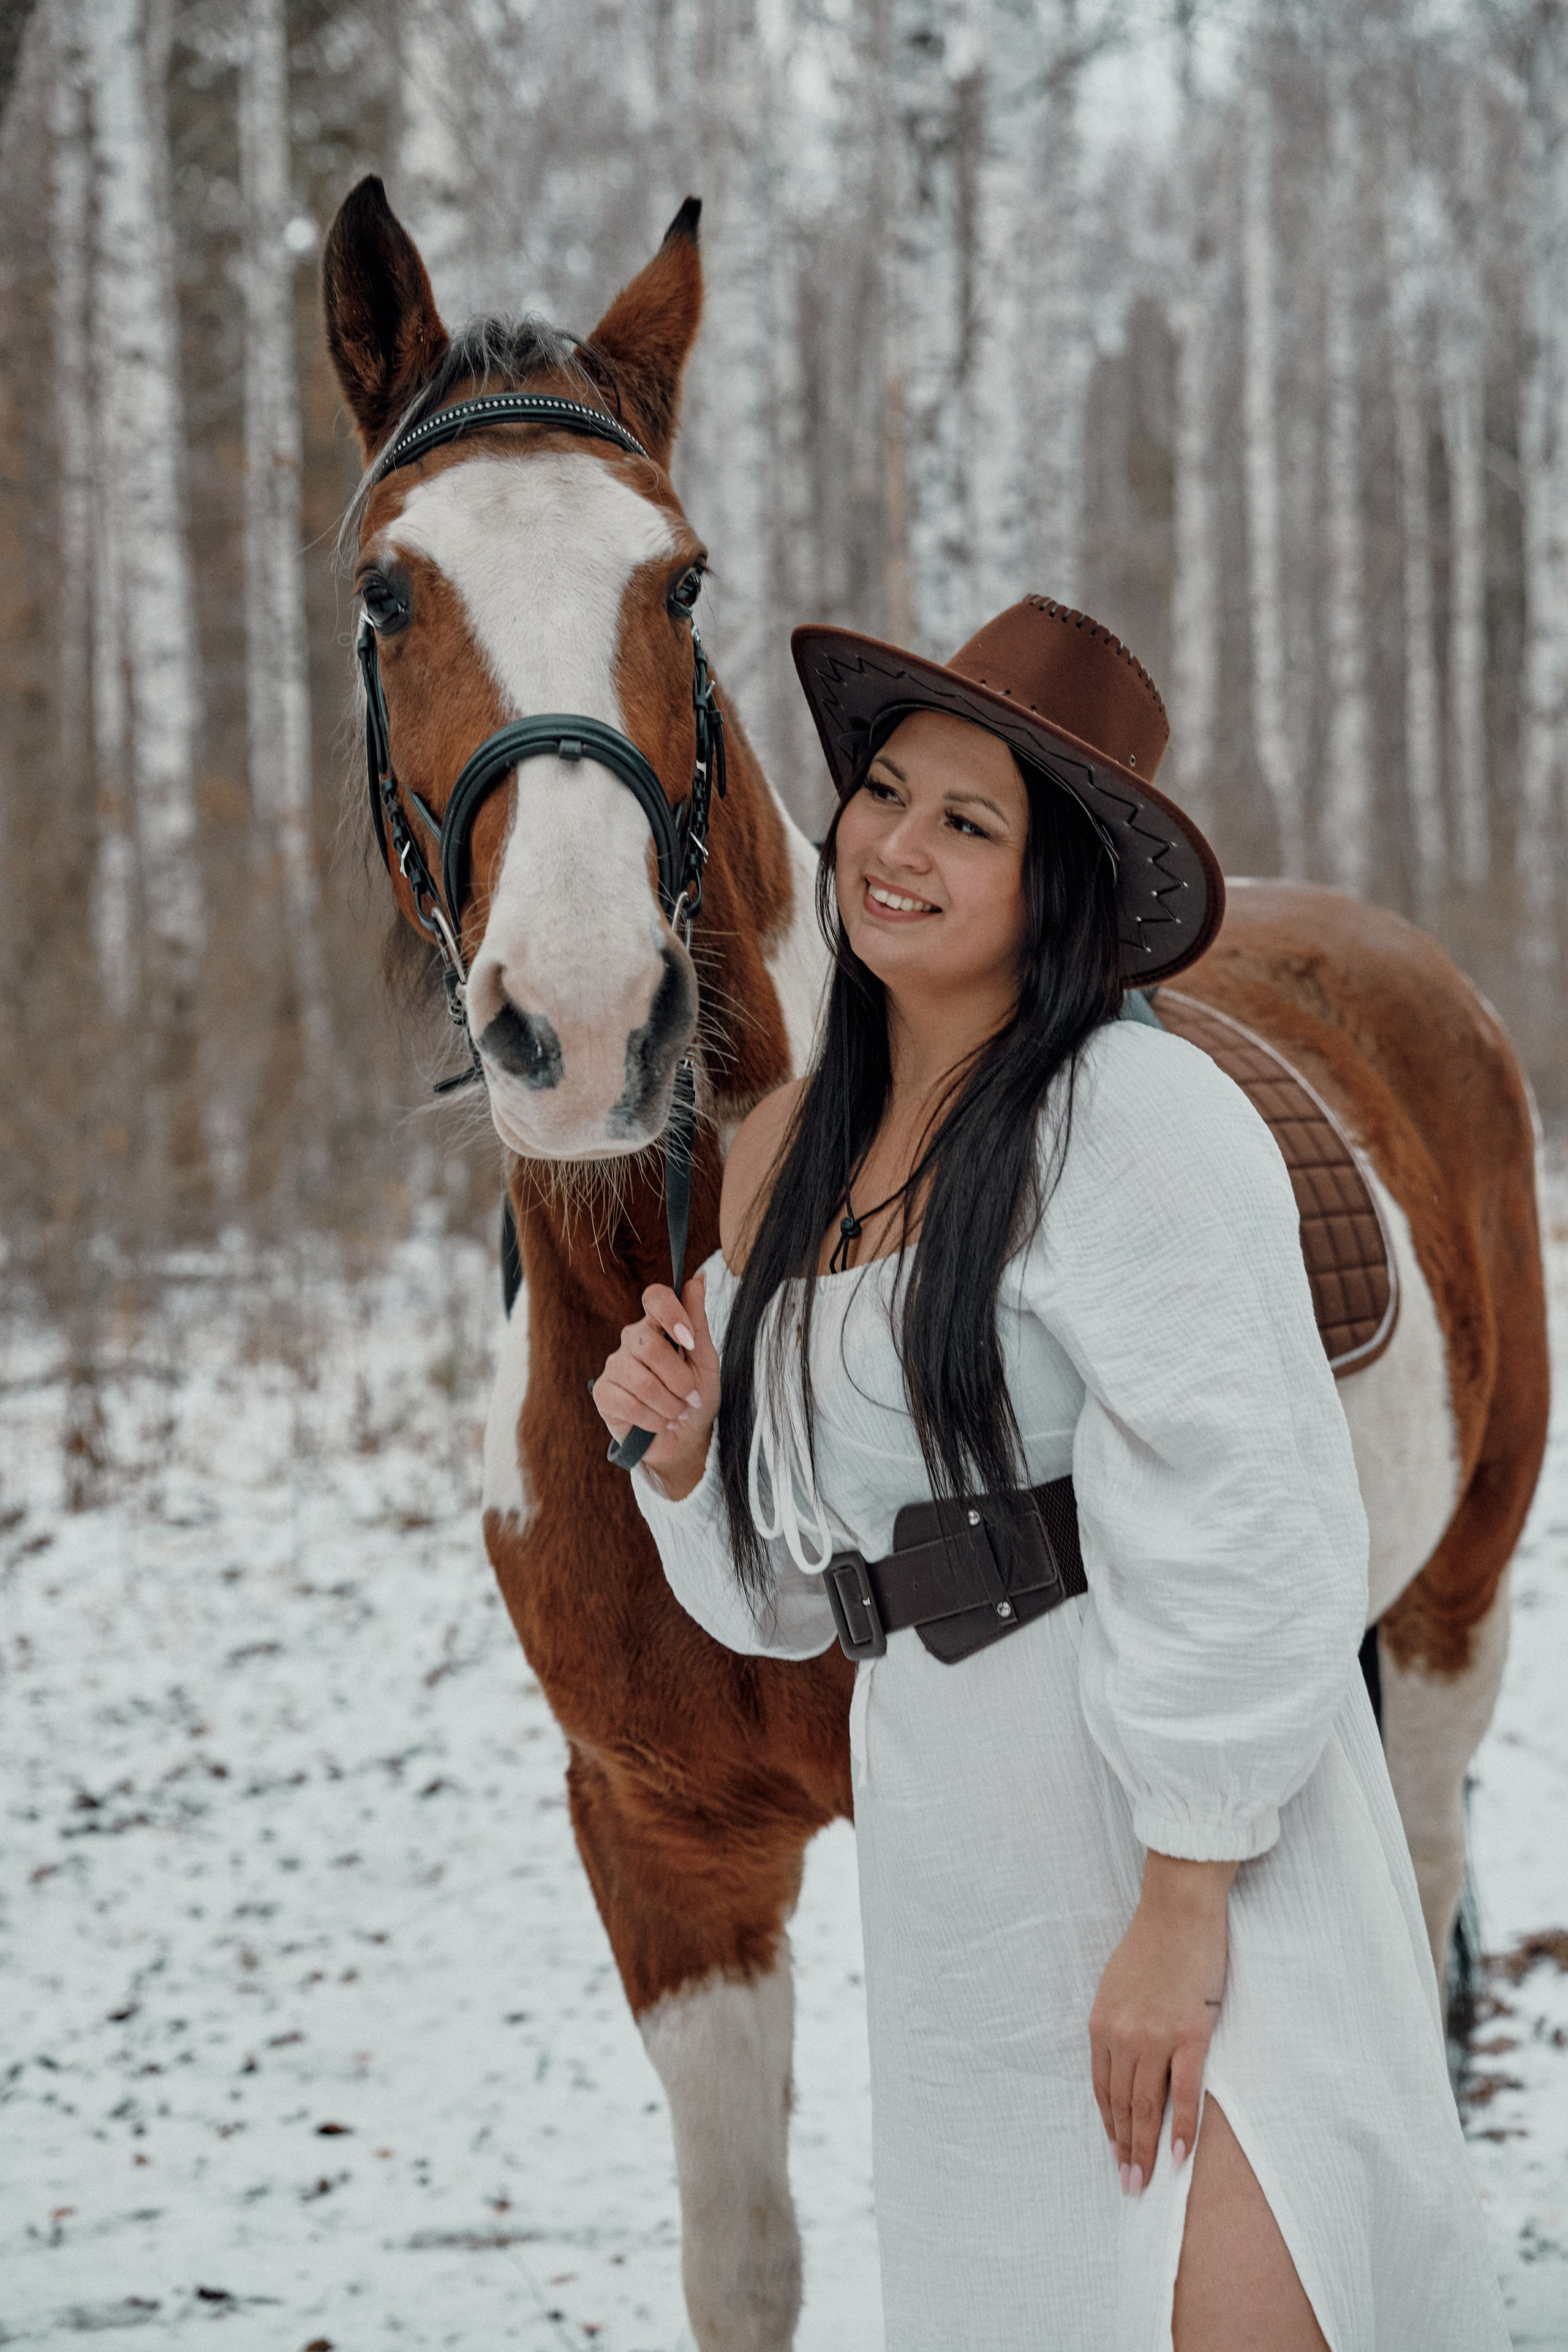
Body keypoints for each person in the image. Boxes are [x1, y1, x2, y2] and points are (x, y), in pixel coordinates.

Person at [593, 597, 1509, 2351]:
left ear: (1055, 887)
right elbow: (799, 1595)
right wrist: (694, 1457)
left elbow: (1258, 1517)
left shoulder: (1131, 1121)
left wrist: (1180, 1907)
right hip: (962, 1860)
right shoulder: (785, 1157)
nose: (898, 847)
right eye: (885, 792)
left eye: (970, 821)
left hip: (1193, 1848)